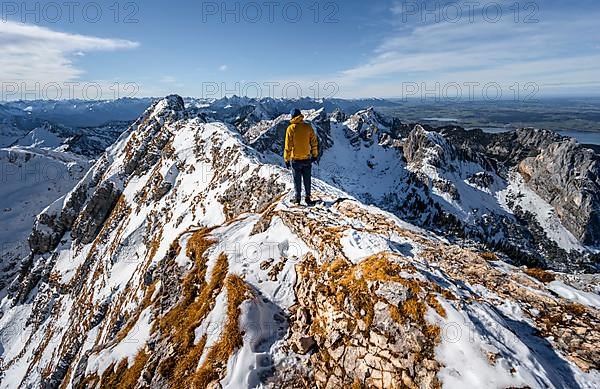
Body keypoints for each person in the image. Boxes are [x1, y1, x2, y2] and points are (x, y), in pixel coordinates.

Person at [284, 108, 319, 205]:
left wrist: (286, 159)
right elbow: (314, 142)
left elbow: (288, 146)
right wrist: (315, 155)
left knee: (297, 179)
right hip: (307, 158)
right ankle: (308, 197)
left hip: (295, 159)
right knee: (307, 178)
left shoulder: (290, 129)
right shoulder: (308, 127)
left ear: (292, 117)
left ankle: (298, 198)